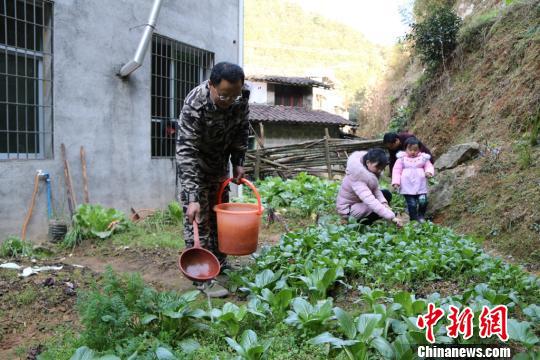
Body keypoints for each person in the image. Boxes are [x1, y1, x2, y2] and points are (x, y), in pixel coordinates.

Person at [176, 62, 250, 296]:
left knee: (219, 218)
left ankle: (220, 263)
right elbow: (186, 152)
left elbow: (241, 129)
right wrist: (193, 196)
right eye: (224, 95)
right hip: (195, 165)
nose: (230, 100)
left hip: (219, 165)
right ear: (211, 85)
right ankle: (202, 276)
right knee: (199, 218)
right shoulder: (194, 105)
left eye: (235, 95)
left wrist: (238, 160)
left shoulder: (240, 97)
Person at [336, 148, 403, 227]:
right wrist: (391, 217)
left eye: (381, 168)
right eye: (377, 167)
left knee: (386, 194)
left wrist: (385, 204)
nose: (379, 171)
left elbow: (375, 190)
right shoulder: (358, 175)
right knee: (374, 207)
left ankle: (375, 216)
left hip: (359, 201)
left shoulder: (367, 170)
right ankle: (358, 222)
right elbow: (370, 200)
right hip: (348, 209)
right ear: (368, 162)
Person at [391, 137, 434, 222]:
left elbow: (429, 166)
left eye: (415, 150)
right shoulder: (401, 159)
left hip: (420, 185)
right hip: (407, 186)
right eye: (410, 150)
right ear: (405, 149)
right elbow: (396, 171)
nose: (413, 152)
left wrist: (429, 172)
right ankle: (414, 219)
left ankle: (421, 216)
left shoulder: (423, 158)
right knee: (412, 204)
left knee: (423, 201)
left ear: (419, 149)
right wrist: (396, 182)